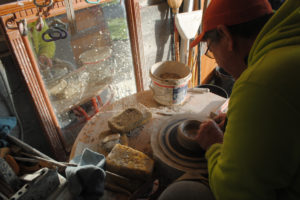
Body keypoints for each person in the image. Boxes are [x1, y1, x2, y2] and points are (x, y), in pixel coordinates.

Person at [158, 0, 300, 199]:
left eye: (211, 50)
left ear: (225, 36)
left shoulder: (261, 83)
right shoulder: (290, 41)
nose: (215, 58)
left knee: (179, 193)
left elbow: (233, 193)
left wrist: (214, 145)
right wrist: (242, 124)